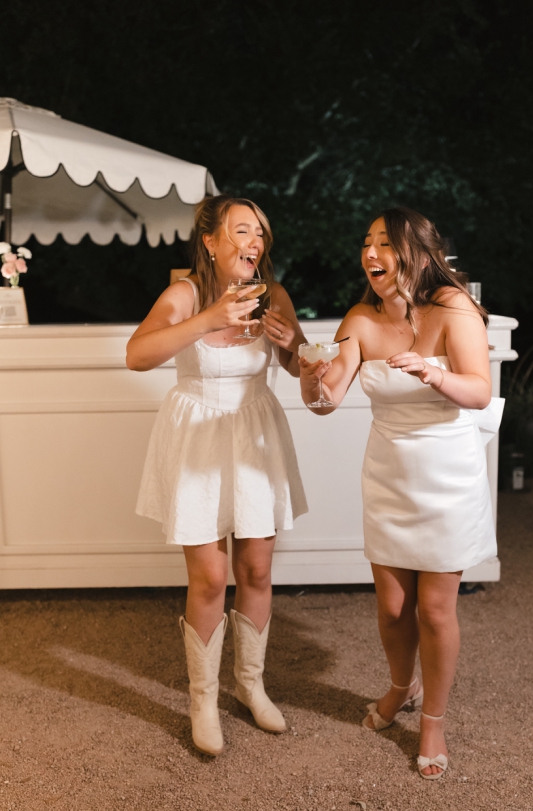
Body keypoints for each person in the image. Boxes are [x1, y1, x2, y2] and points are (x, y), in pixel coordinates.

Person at [298, 206, 499, 780]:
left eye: (383, 242)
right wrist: (313, 377)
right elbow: (327, 399)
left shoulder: (453, 308)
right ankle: (398, 687)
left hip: (447, 473)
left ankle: (432, 719)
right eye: (365, 242)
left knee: (435, 610)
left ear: (415, 252)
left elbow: (480, 391)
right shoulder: (359, 319)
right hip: (388, 471)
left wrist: (435, 374)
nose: (370, 253)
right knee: (391, 608)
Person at [127, 195, 308, 756]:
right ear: (210, 242)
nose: (255, 243)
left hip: (254, 432)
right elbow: (137, 355)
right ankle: (202, 699)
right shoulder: (184, 293)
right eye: (242, 231)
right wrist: (209, 318)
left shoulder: (273, 294)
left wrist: (292, 348)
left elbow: (301, 364)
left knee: (256, 566)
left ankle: (250, 685)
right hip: (197, 434)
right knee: (209, 575)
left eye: (260, 234)